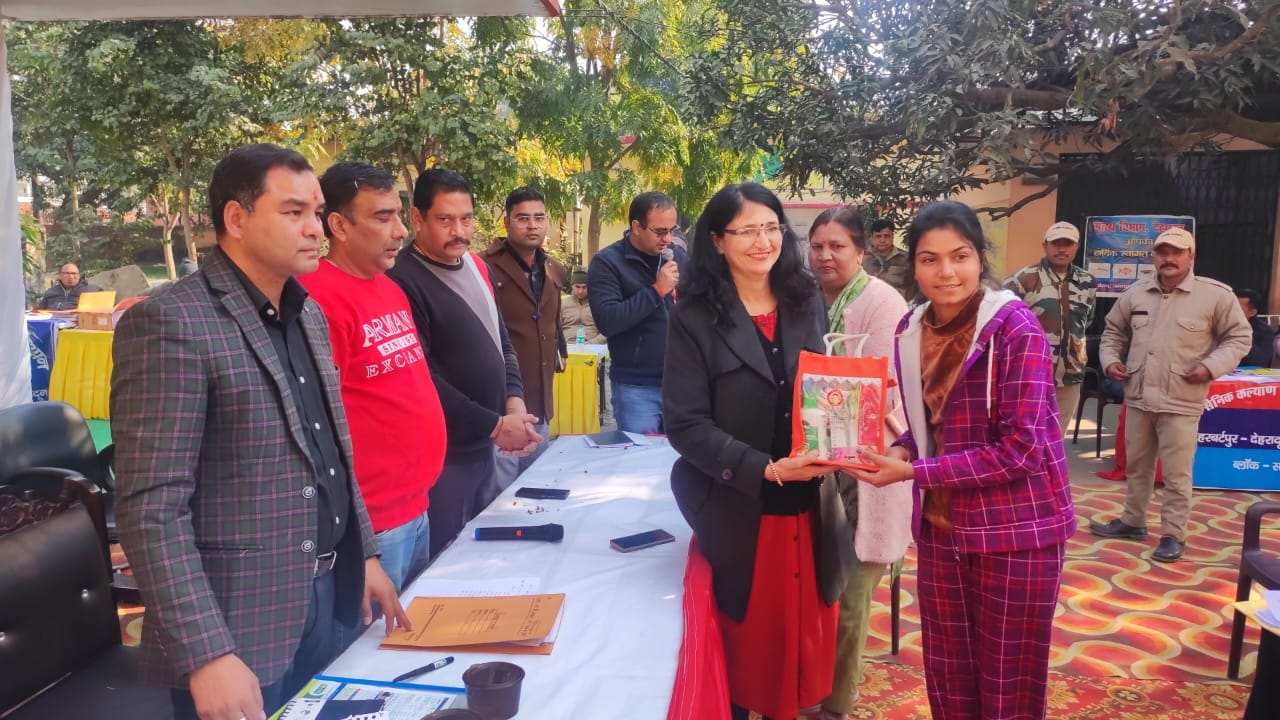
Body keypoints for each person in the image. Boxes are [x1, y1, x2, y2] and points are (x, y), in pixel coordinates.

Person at [111, 143, 407, 720]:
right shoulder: (171, 322)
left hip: (331, 596)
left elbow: (330, 451)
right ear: (236, 218)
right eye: (293, 212)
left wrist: (365, 554)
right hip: (238, 624)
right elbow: (152, 509)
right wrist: (206, 654)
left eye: (316, 212)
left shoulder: (307, 312)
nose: (315, 228)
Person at [851, 200, 1075, 720]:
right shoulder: (911, 329)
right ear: (914, 265)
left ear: (980, 259)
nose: (946, 272)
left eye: (960, 256)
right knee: (948, 673)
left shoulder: (1015, 329)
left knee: (1007, 681)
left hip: (1017, 532)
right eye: (929, 259)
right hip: (942, 528)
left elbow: (1023, 450)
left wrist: (914, 471)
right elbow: (935, 423)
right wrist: (904, 445)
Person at [665, 182, 854, 720]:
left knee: (799, 653)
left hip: (810, 506)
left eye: (772, 227)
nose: (763, 241)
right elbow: (685, 423)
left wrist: (852, 419)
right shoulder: (694, 315)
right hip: (742, 509)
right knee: (746, 655)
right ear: (717, 240)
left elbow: (822, 386)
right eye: (747, 230)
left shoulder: (805, 298)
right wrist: (765, 469)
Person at [299, 161, 447, 592]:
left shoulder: (390, 287)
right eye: (383, 218)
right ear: (339, 226)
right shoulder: (316, 300)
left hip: (417, 507)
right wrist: (359, 540)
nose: (401, 231)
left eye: (399, 215)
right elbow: (316, 428)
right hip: (373, 526)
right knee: (376, 635)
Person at [386, 169, 538, 557]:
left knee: (484, 555)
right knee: (444, 560)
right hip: (445, 458)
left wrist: (514, 406)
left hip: (489, 446)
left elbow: (502, 343)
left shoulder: (477, 266)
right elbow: (423, 378)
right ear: (417, 218)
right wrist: (495, 426)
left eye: (466, 218)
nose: (459, 231)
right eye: (445, 219)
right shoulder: (401, 280)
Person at [1091, 227, 1251, 562]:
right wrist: (1110, 362)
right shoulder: (1135, 293)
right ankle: (1133, 521)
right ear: (1154, 256)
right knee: (1137, 466)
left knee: (1177, 474)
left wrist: (1210, 367)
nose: (1169, 258)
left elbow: (1239, 338)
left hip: (1181, 398)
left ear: (1191, 256)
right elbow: (1113, 332)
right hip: (1138, 396)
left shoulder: (1215, 295)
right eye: (1162, 252)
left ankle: (1173, 535)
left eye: (1177, 252)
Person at [807, 206, 911, 719]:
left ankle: (837, 701)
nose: (825, 256)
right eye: (816, 246)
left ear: (861, 250)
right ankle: (807, 687)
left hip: (870, 464)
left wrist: (816, 394)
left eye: (837, 246)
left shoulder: (882, 301)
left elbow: (881, 387)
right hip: (814, 462)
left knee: (850, 598)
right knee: (812, 592)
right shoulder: (803, 298)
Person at [482, 187, 567, 476]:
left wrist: (561, 350)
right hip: (502, 404)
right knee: (502, 489)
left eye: (539, 218)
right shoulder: (483, 266)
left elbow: (553, 321)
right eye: (523, 218)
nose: (532, 225)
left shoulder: (553, 268)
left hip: (540, 402)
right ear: (507, 222)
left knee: (536, 484)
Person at [588, 191, 687, 434]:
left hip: (682, 384)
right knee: (641, 456)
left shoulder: (678, 259)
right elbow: (608, 321)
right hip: (636, 388)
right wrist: (656, 291)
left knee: (681, 454)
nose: (668, 239)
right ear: (636, 226)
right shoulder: (607, 263)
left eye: (672, 230)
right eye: (660, 231)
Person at [1002, 221, 1098, 433]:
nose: (1062, 249)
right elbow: (1002, 322)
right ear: (1045, 245)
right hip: (1029, 374)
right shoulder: (1023, 279)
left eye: (1067, 243)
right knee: (1026, 434)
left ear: (1076, 247)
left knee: (1056, 437)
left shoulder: (1088, 282)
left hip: (1070, 374)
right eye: (1056, 243)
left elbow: (1087, 320)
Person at [863, 220, 911, 298]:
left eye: (886, 236)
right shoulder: (860, 258)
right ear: (871, 237)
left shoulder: (906, 259)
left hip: (897, 303)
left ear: (893, 236)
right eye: (878, 236)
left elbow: (914, 287)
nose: (882, 240)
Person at [560, 268, 605, 345]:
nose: (581, 291)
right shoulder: (562, 304)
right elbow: (554, 329)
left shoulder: (599, 304)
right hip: (567, 345)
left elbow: (607, 330)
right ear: (572, 286)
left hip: (593, 346)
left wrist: (592, 342)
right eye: (577, 287)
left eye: (584, 287)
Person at [1235, 288, 1276, 368]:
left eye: (1237, 308)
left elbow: (1260, 362)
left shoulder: (1264, 331)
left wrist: (1241, 331)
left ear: (1252, 312)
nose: (1231, 311)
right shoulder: (1220, 326)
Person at [38, 262, 102, 310]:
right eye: (67, 273)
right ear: (60, 276)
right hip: (54, 322)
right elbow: (39, 311)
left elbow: (104, 309)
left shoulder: (92, 290)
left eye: (74, 273)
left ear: (79, 275)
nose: (71, 276)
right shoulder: (51, 292)